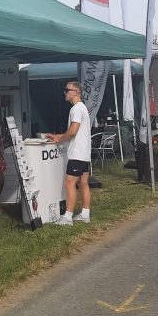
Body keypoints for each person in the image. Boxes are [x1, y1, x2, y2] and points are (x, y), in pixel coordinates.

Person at [51, 82, 92, 225]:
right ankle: (85, 214)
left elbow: (73, 131)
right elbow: (75, 131)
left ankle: (67, 217)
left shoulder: (76, 109)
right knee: (83, 183)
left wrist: (59, 138)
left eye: (67, 90)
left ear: (76, 92)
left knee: (69, 183)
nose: (65, 93)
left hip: (77, 153)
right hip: (85, 153)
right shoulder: (82, 108)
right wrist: (59, 136)